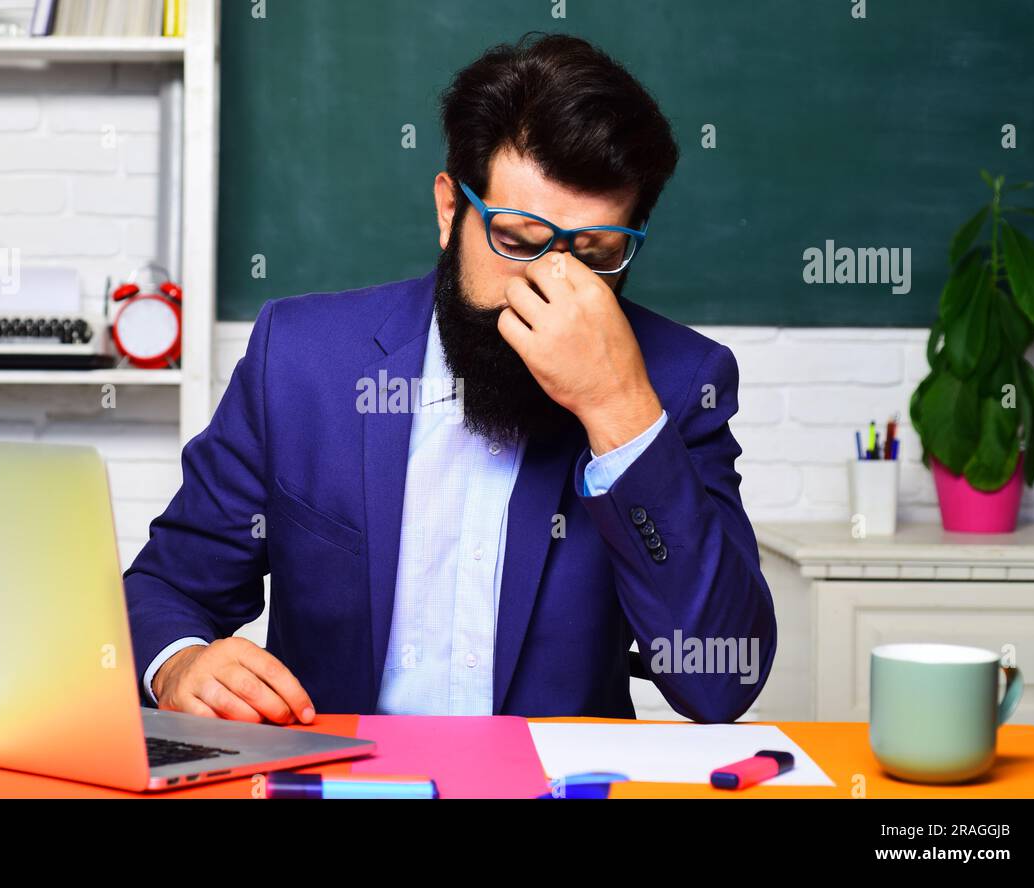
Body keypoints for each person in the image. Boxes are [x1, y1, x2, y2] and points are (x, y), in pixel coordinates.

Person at [124, 33, 776, 724]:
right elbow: (167, 585)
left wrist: (618, 408)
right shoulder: (301, 361)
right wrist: (181, 662)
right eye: (518, 241)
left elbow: (720, 679)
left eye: (594, 255)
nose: (547, 284)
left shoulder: (676, 382)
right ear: (449, 210)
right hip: (343, 780)